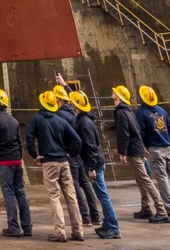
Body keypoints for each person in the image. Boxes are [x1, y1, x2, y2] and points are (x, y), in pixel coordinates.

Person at [26, 89, 84, 243]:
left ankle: (60, 232)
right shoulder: (61, 121)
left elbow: (29, 138)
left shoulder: (36, 119)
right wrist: (69, 154)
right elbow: (77, 141)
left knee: (54, 196)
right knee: (71, 196)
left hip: (49, 161)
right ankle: (78, 230)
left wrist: (35, 155)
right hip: (63, 161)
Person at [111, 88, 168, 225]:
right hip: (137, 149)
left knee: (145, 180)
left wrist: (122, 153)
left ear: (119, 96)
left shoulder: (121, 113)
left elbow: (124, 134)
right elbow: (136, 131)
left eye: (114, 92)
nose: (111, 93)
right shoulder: (128, 111)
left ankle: (161, 211)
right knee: (140, 180)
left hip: (134, 151)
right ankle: (146, 207)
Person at [69, 90, 119, 240]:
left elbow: (91, 147)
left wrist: (91, 167)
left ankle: (113, 227)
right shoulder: (86, 119)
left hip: (95, 164)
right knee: (101, 195)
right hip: (96, 162)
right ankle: (108, 223)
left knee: (103, 196)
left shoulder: (83, 123)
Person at [135, 87, 170, 218]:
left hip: (155, 148)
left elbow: (140, 132)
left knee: (162, 178)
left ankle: (169, 208)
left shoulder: (141, 113)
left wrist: (145, 146)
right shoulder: (162, 111)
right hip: (167, 146)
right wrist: (168, 141)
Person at [0, 88, 32, 239]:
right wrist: (19, 158)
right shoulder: (13, 120)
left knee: (9, 194)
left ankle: (13, 227)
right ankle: (27, 226)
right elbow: (19, 142)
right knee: (20, 192)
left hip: (4, 161)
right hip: (16, 161)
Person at [56, 88, 98, 230]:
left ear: (58, 99)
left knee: (74, 186)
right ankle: (95, 215)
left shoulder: (60, 115)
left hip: (70, 153)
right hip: (79, 153)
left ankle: (85, 217)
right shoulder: (73, 113)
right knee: (85, 184)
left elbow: (63, 136)